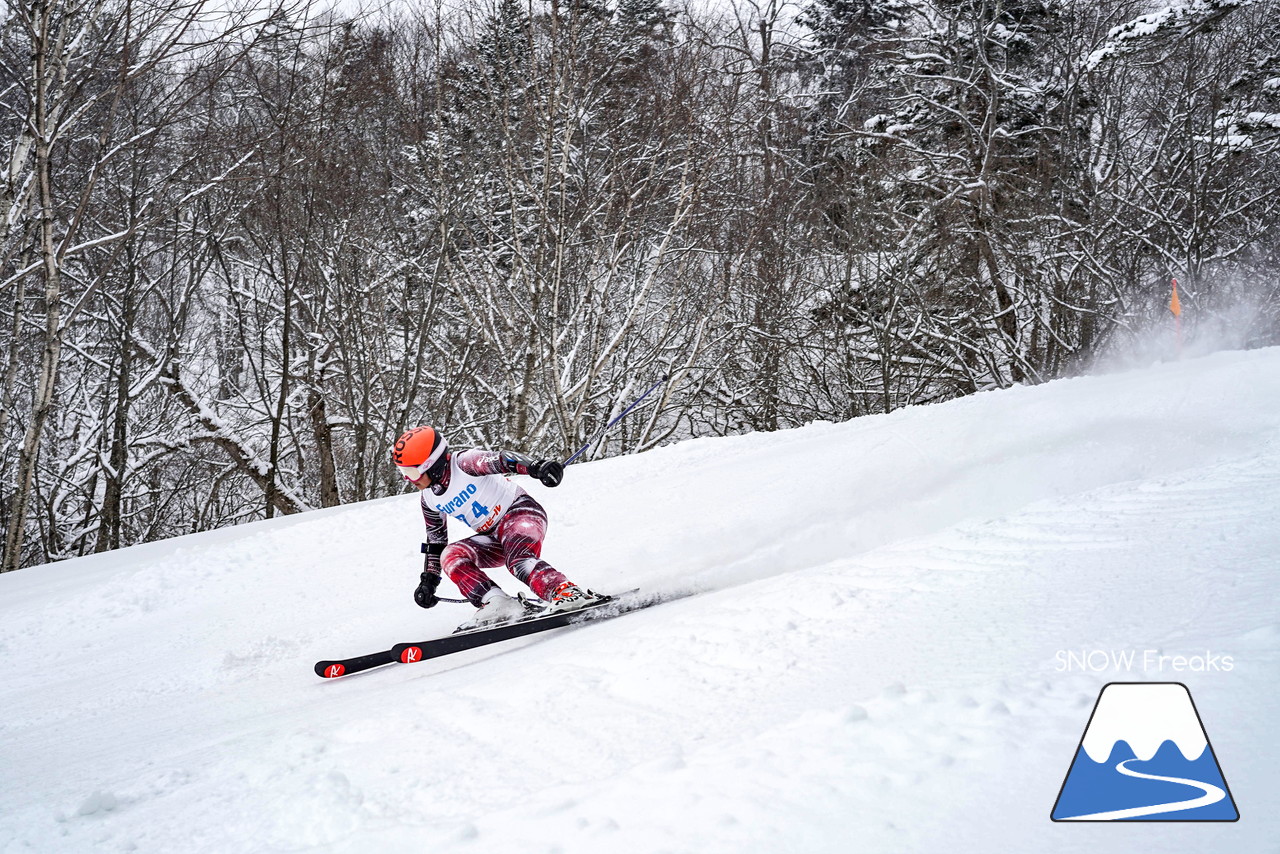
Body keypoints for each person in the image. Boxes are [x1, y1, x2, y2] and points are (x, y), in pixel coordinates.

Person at [391, 425, 601, 629]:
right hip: (493, 536)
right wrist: (429, 581)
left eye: (411, 471)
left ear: (432, 464)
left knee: (517, 560)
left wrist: (537, 466)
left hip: (520, 513)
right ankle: (497, 602)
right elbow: (436, 542)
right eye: (403, 471)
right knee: (450, 555)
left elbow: (503, 460)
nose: (408, 478)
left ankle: (565, 592)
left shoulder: (464, 463)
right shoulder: (428, 499)